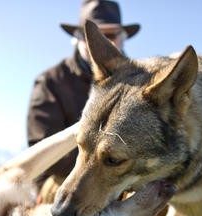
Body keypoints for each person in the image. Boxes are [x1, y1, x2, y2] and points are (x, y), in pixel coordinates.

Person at [26, 0, 140, 204]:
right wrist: (104, 166)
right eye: (92, 36)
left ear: (122, 39)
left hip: (123, 178)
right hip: (62, 179)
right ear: (78, 38)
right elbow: (42, 147)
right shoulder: (51, 82)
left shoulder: (143, 84)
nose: (102, 42)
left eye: (110, 35)